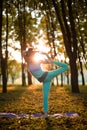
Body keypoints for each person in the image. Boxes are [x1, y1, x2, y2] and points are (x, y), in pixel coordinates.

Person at [23, 47, 68, 118]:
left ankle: (54, 61)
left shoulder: (38, 61)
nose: (29, 57)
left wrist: (45, 54)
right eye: (29, 55)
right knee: (45, 97)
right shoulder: (28, 62)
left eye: (31, 55)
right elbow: (24, 53)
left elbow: (49, 60)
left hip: (47, 75)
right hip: (45, 81)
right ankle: (46, 114)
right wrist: (33, 51)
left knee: (66, 67)